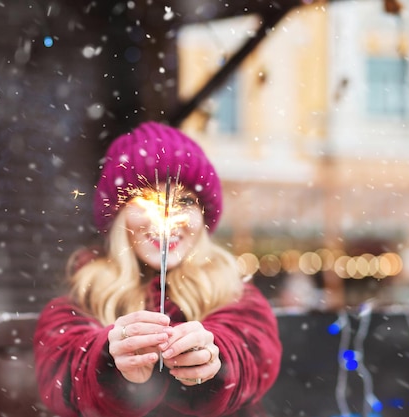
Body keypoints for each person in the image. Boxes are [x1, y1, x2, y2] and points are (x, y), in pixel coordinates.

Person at [33, 121, 282, 417]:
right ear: (119, 216)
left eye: (186, 200)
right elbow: (60, 372)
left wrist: (214, 355)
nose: (166, 217)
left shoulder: (236, 295)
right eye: (146, 199)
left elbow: (252, 348)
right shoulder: (79, 301)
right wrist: (109, 358)